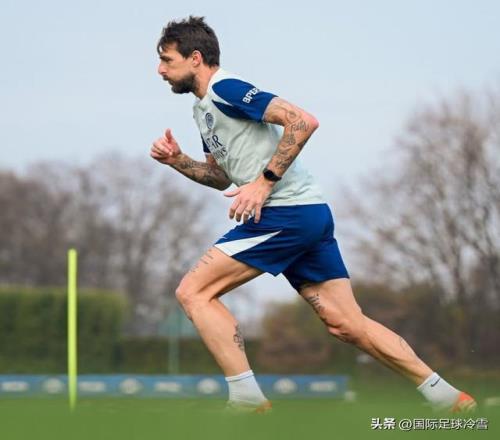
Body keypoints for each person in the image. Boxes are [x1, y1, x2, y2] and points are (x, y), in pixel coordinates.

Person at [150, 15, 476, 413]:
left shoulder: (226, 88)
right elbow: (220, 177)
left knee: (193, 292)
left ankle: (247, 399)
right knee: (347, 323)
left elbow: (302, 122)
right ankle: (447, 397)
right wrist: (178, 161)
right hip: (306, 215)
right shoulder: (202, 109)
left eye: (167, 60)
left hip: (286, 215)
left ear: (196, 58)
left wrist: (264, 183)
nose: (160, 70)